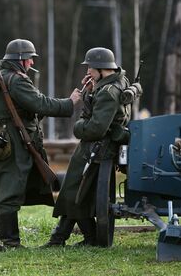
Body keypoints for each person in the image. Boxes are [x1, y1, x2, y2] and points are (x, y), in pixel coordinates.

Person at [0, 38, 82, 251]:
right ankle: (11, 243)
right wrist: (70, 102)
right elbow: (40, 103)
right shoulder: (16, 80)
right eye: (29, 59)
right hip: (15, 143)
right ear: (20, 59)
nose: (31, 64)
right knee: (10, 191)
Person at [42, 47, 131, 247]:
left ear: (101, 68)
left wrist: (78, 126)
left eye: (90, 67)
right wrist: (89, 94)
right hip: (95, 149)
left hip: (97, 150)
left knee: (74, 192)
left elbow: (96, 128)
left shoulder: (109, 92)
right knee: (75, 193)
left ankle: (64, 239)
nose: (88, 71)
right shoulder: (111, 84)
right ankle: (69, 239)